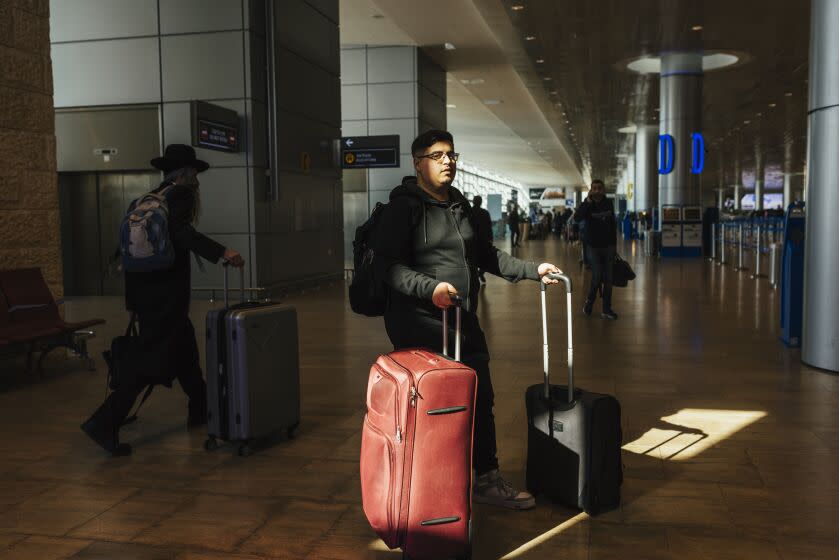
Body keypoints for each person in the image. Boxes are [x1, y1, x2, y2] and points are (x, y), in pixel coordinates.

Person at [374, 130, 563, 510]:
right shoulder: (402, 210)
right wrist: (430, 288)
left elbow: (487, 256)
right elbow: (387, 268)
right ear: (418, 162)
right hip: (419, 323)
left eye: (452, 155)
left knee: (480, 395)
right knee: (433, 404)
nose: (448, 162)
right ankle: (428, 482)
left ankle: (485, 478)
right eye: (437, 155)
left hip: (460, 319)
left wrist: (531, 269)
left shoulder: (460, 207)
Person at [81, 144, 246, 456]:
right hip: (166, 297)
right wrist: (223, 252)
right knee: (149, 362)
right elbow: (182, 234)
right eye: (195, 171)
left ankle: (202, 410)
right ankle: (104, 422)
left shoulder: (146, 198)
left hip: (145, 294)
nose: (197, 177)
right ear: (185, 172)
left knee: (185, 354)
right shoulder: (180, 196)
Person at [573, 179, 618, 320]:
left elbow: (612, 225)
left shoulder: (608, 203)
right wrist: (588, 202)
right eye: (595, 188)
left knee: (609, 279)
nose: (597, 190)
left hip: (608, 246)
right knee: (597, 276)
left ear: (603, 189)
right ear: (591, 190)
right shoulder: (587, 205)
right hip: (593, 247)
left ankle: (606, 309)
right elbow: (577, 217)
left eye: (600, 188)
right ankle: (589, 302)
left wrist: (614, 245)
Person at [472, 195, 493, 284]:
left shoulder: (469, 212)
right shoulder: (485, 213)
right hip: (483, 239)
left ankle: (475, 274)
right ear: (480, 202)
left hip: (471, 240)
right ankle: (480, 273)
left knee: (472, 259)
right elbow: (489, 227)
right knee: (486, 259)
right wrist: (490, 238)